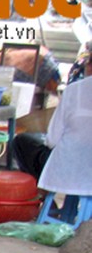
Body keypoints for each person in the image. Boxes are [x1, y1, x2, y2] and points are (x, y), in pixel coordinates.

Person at [10, 42, 92, 194]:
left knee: (22, 142)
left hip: (71, 167)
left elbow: (52, 140)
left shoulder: (75, 91)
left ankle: (44, 197)